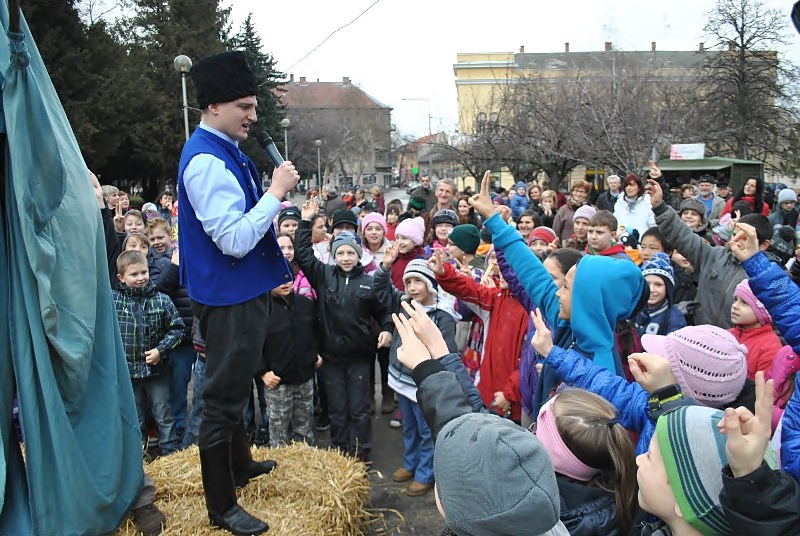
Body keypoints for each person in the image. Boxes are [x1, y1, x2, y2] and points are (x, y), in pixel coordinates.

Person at [177, 50, 299, 535]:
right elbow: (232, 240)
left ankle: (241, 465)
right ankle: (221, 506)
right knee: (222, 400)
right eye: (244, 106)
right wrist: (275, 193)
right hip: (228, 297)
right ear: (212, 107)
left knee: (237, 386)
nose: (253, 115)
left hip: (239, 293)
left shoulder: (221, 148)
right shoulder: (207, 162)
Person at [389, 308, 570, 536]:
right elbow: (475, 420)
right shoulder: (542, 516)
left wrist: (426, 369)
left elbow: (466, 431)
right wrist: (441, 353)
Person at [296, 199, 393, 462]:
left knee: (360, 409)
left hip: (360, 357)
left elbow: (384, 310)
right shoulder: (324, 275)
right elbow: (303, 254)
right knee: (338, 409)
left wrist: (386, 329)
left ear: (359, 254)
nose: (346, 258)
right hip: (331, 357)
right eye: (341, 253)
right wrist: (305, 222)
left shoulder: (368, 283)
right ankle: (340, 451)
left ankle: (361, 451)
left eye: (351, 253)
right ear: (333, 256)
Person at [374, 253, 458, 497]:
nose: (412, 287)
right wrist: (385, 266)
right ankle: (410, 463)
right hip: (402, 382)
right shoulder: (404, 302)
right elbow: (381, 290)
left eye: (418, 281)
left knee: (425, 430)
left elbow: (445, 352)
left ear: (430, 283)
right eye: (409, 282)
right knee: (409, 427)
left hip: (422, 384)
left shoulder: (441, 316)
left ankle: (425, 473)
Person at [647, 177, 773, 329]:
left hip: (739, 346)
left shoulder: (769, 277)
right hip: (700, 336)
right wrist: (660, 207)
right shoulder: (714, 256)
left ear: (764, 244)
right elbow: (683, 236)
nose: (738, 240)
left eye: (746, 238)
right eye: (736, 233)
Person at [431, 249, 529, 423]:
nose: (503, 272)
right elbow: (470, 289)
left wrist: (509, 394)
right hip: (486, 393)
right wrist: (445, 272)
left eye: (510, 269)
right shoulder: (498, 296)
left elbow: (530, 360)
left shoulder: (534, 310)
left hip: (514, 403)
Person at [112, 251, 185, 456]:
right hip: (128, 372)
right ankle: (138, 453)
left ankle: (170, 451)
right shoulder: (114, 302)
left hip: (156, 371)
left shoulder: (161, 300)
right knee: (135, 414)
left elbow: (177, 328)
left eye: (144, 272)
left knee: (163, 412)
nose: (141, 277)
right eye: (134, 274)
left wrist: (161, 350)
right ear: (121, 278)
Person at [258, 280, 321, 447]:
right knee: (279, 432)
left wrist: (316, 353)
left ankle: (306, 463)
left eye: (288, 278)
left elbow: (315, 331)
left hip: (305, 378)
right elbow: (251, 344)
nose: (285, 283)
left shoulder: (305, 304)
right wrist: (262, 372)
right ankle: (281, 468)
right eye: (278, 279)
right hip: (278, 382)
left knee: (305, 428)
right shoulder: (261, 309)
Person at [729, 280, 782, 379]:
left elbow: (763, 389)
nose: (735, 306)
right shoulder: (728, 335)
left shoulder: (770, 347)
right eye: (735, 299)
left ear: (763, 311)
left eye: (744, 302)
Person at [636, 252, 687, 336]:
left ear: (668, 289)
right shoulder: (633, 311)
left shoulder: (675, 319)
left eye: (658, 284)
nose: (651, 290)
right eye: (647, 284)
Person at [614, 173, 655, 237]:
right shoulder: (619, 204)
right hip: (622, 242)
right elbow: (615, 225)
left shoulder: (648, 203)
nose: (628, 188)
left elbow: (653, 226)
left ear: (639, 187)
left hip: (642, 243)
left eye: (632, 185)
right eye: (626, 186)